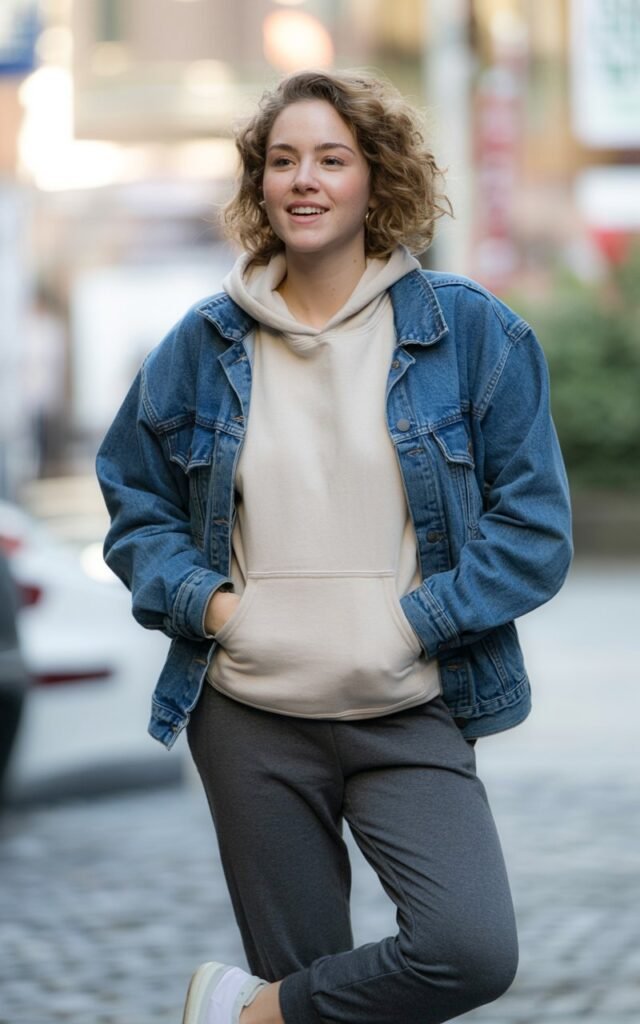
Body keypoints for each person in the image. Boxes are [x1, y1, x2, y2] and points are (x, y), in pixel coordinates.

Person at [96, 68, 572, 1024]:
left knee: (467, 948)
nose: (303, 179)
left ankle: (247, 1016)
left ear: (375, 179)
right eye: (282, 160)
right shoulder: (202, 344)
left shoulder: (470, 332)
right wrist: (221, 610)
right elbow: (133, 505)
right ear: (260, 186)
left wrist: (410, 623)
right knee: (320, 979)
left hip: (409, 708)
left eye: (330, 158)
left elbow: (535, 529)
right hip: (251, 721)